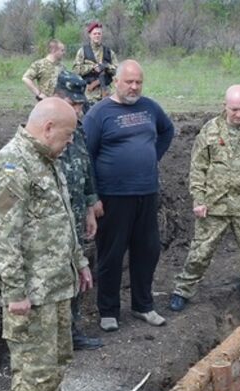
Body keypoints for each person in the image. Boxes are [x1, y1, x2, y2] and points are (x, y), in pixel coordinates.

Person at [0, 98, 93, 391]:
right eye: (67, 135)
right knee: (34, 367)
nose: (70, 142)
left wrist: (79, 262)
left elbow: (62, 219)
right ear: (48, 129)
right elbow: (0, 235)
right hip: (32, 293)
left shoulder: (48, 162)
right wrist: (14, 291)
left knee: (58, 360)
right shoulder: (14, 167)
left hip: (58, 285)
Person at [169, 85, 240, 314]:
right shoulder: (210, 130)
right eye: (234, 109)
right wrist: (198, 199)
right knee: (200, 251)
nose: (239, 114)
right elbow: (198, 167)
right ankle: (182, 291)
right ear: (225, 106)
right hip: (214, 204)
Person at [82, 60, 175, 332]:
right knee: (111, 255)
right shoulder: (99, 114)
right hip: (113, 197)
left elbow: (167, 131)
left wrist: (150, 157)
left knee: (148, 251)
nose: (134, 87)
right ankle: (109, 311)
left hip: (146, 193)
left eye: (138, 82)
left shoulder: (150, 108)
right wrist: (93, 198)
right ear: (116, 82)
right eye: (129, 82)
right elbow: (86, 156)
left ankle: (143, 306)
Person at [53, 71, 103, 351]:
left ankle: (72, 331)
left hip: (75, 212)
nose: (79, 110)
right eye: (74, 105)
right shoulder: (44, 127)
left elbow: (86, 168)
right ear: (57, 98)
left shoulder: (78, 129)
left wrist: (89, 206)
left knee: (77, 271)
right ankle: (55, 336)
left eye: (80, 105)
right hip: (53, 220)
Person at [73, 21, 117, 105]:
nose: (97, 35)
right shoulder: (83, 51)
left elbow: (117, 70)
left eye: (99, 34)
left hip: (106, 93)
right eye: (95, 33)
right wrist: (91, 68)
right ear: (90, 35)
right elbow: (75, 70)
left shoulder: (108, 52)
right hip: (89, 94)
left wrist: (106, 67)